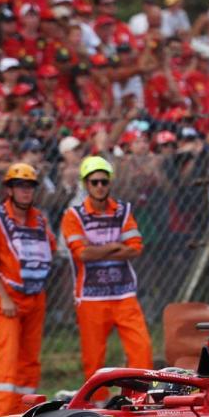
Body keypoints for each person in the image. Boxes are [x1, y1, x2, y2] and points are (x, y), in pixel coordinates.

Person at [60, 156, 153, 387]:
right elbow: (81, 254)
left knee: (142, 349)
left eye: (104, 181)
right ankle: (96, 407)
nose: (100, 186)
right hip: (91, 297)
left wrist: (97, 250)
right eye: (94, 182)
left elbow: (135, 248)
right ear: (85, 184)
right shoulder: (73, 216)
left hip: (124, 295)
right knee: (93, 359)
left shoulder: (122, 211)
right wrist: (113, 246)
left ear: (110, 182)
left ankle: (138, 400)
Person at [0, 162, 56, 417]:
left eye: (30, 186)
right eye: (20, 186)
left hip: (35, 297)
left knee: (30, 361)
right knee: (7, 360)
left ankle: (26, 413)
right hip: (8, 299)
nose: (26, 191)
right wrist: (3, 298)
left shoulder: (40, 219)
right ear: (9, 189)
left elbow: (50, 249)